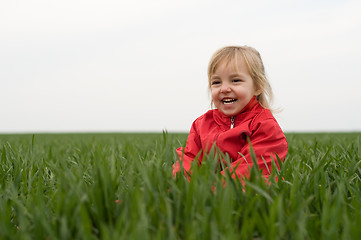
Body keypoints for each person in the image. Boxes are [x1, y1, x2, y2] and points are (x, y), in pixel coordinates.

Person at [173, 46, 288, 180]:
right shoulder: (202, 124)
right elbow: (189, 159)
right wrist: (182, 185)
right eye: (216, 82)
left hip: (243, 195)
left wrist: (211, 190)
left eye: (235, 80)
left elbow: (250, 169)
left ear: (258, 87)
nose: (224, 88)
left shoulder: (264, 126)